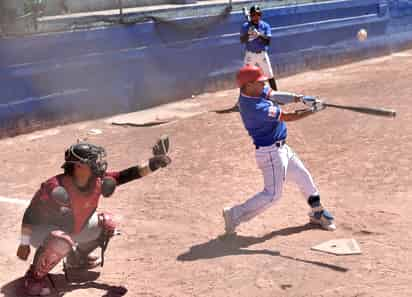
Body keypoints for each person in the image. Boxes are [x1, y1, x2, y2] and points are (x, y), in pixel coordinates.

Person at [16, 138, 171, 296]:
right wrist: (24, 243)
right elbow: (31, 213)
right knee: (61, 241)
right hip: (41, 233)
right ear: (79, 166)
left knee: (107, 223)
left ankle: (77, 260)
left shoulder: (97, 180)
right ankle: (34, 277)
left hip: (71, 228)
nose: (99, 164)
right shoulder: (55, 187)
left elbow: (127, 175)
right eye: (94, 161)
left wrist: (154, 164)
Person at [222, 65, 336, 235]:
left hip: (281, 148)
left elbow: (274, 95)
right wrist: (313, 110)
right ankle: (234, 214)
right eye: (259, 82)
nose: (263, 84)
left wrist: (301, 98)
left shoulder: (251, 90)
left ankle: (317, 212)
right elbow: (288, 117)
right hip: (270, 153)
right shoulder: (254, 107)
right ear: (248, 85)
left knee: (302, 175)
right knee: (272, 195)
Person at [240, 5, 278, 91]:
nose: (255, 17)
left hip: (262, 54)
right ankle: (242, 99)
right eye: (253, 15)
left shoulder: (265, 26)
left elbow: (268, 41)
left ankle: (276, 96)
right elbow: (242, 40)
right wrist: (248, 34)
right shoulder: (246, 26)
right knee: (245, 77)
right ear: (251, 16)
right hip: (250, 55)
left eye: (257, 14)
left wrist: (259, 35)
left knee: (270, 75)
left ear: (260, 15)